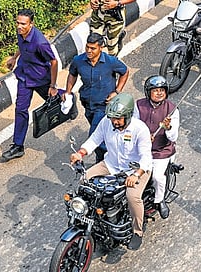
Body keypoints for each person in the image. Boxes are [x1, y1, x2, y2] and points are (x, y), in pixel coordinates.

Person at [70, 93, 152, 250]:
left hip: (136, 169)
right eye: (113, 118)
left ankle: (137, 231)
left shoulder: (139, 129)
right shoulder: (107, 123)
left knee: (132, 196)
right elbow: (95, 139)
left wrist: (136, 175)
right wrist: (80, 153)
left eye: (118, 118)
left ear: (128, 116)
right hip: (111, 164)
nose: (114, 121)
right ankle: (87, 217)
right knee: (84, 181)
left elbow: (146, 157)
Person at [2, 9, 59, 161]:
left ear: (31, 24)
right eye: (18, 23)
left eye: (23, 24)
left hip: (40, 78)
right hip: (24, 76)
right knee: (20, 109)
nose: (19, 26)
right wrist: (14, 58)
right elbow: (21, 46)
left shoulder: (40, 42)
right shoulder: (20, 33)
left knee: (55, 99)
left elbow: (54, 61)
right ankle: (18, 146)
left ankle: (68, 99)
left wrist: (53, 85)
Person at [66, 32, 129, 163]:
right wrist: (68, 92)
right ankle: (109, 155)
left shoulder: (110, 62)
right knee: (103, 132)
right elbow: (72, 74)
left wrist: (116, 92)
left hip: (104, 106)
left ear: (101, 47)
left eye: (93, 48)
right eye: (87, 47)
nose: (89, 51)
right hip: (88, 104)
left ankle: (106, 160)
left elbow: (125, 71)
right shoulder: (79, 61)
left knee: (94, 135)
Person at [133, 75, 180, 219]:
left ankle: (160, 200)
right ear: (148, 92)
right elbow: (134, 126)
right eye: (155, 90)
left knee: (158, 177)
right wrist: (143, 136)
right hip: (142, 149)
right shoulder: (138, 105)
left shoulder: (172, 110)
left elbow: (173, 137)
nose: (159, 93)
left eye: (162, 90)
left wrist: (168, 127)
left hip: (161, 151)